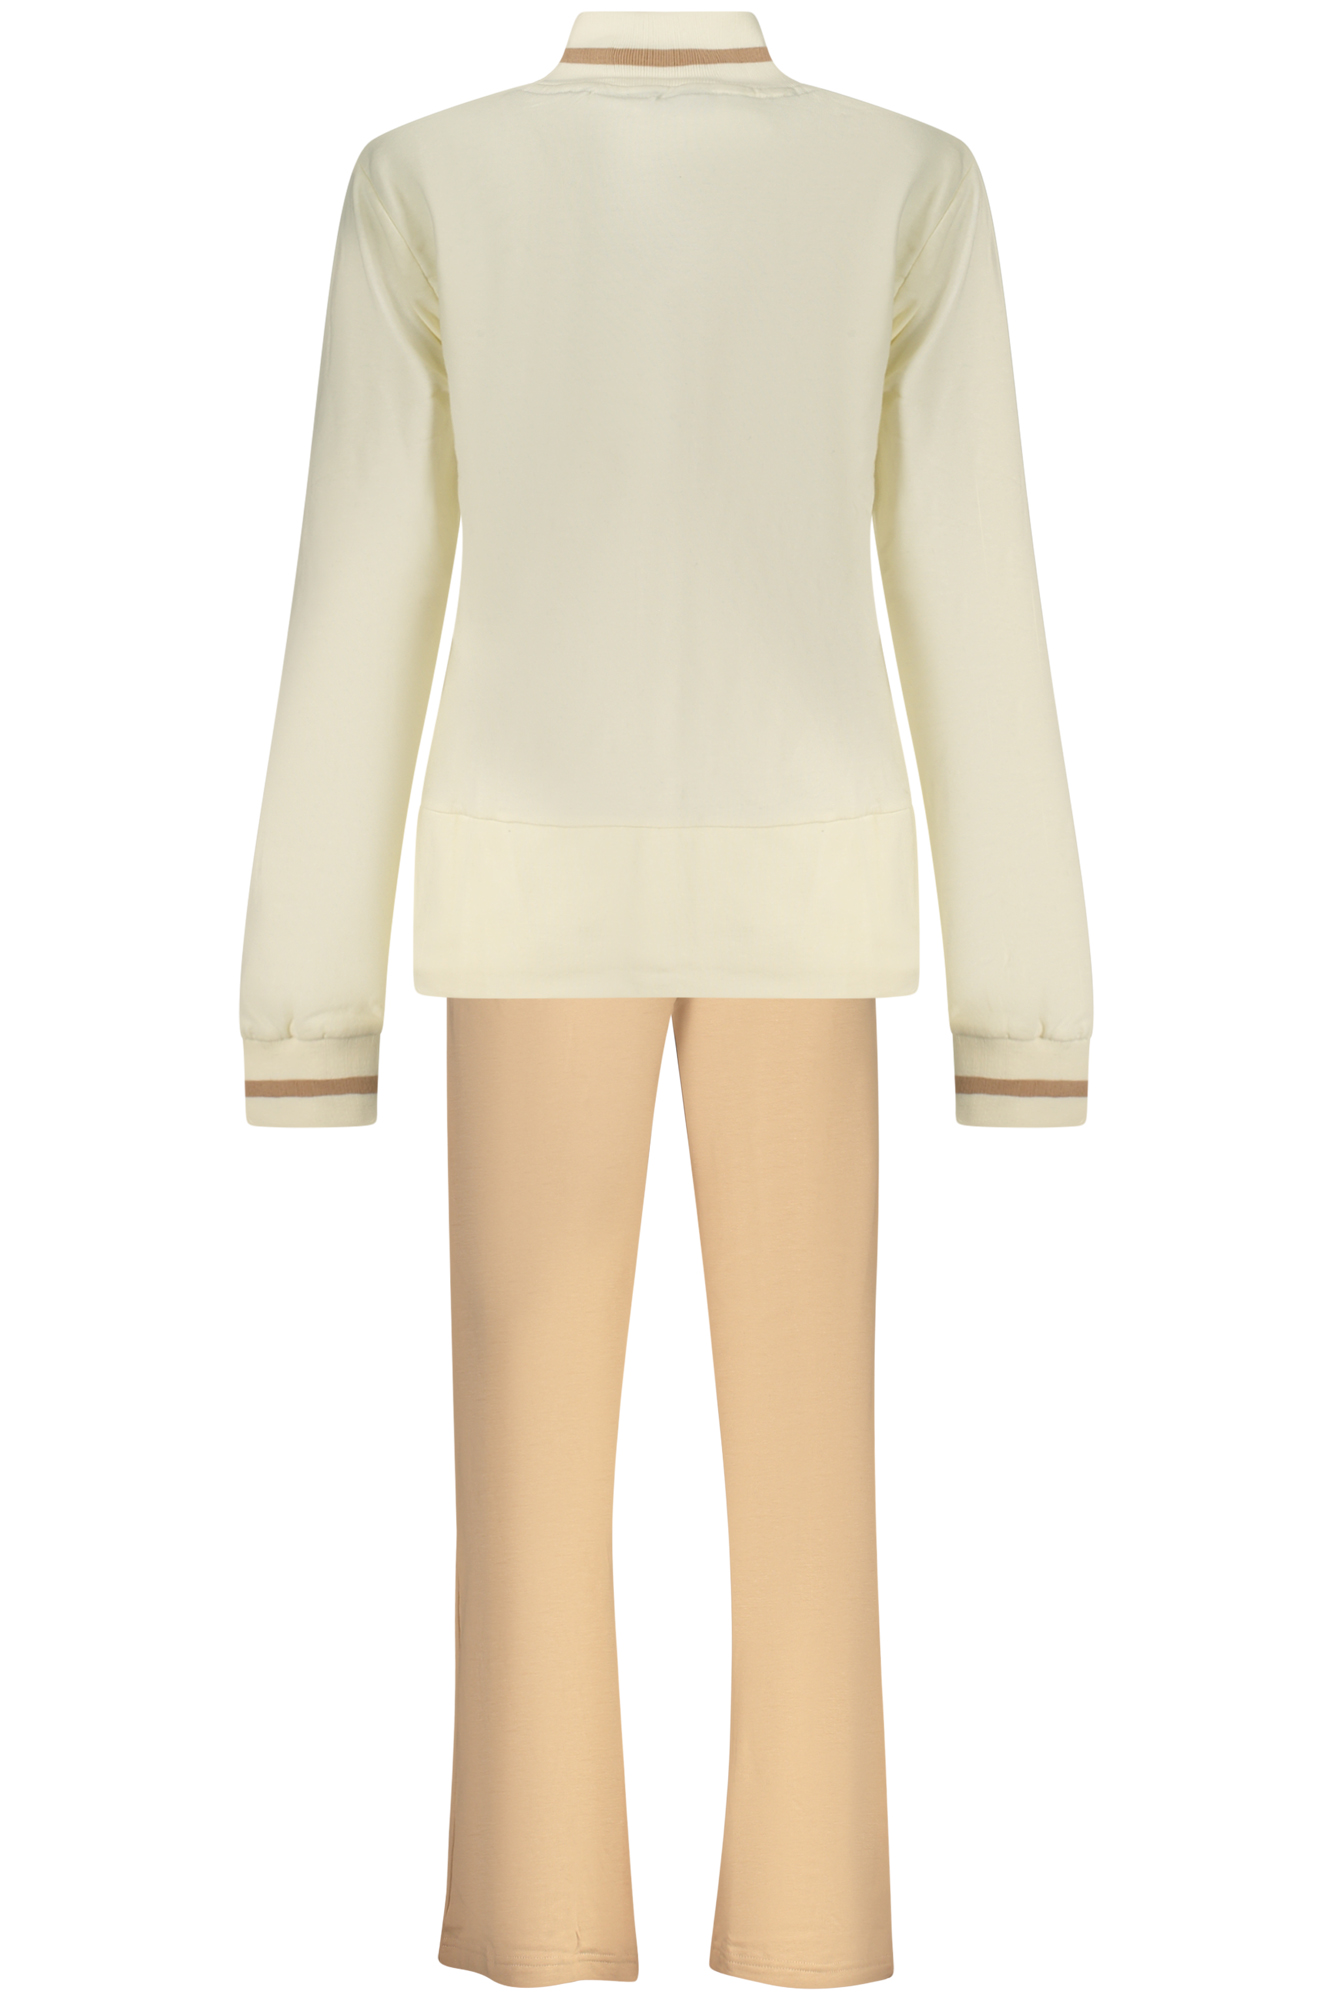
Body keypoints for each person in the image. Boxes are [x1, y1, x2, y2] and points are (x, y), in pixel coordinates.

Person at [239, 11, 1092, 1987]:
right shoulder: (901, 180)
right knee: (810, 1484)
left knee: (527, 1479)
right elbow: (971, 587)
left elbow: (360, 586)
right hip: (802, 868)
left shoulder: (428, 181)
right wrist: (1026, 1003)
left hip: (532, 874)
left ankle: (544, 1926)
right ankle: (810, 1922)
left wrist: (303, 998)